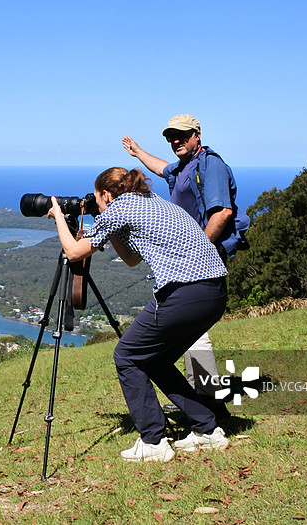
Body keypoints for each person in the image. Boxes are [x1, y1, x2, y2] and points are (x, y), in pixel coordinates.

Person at [47, 166, 230, 463]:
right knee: (154, 360)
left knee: (127, 356)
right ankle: (207, 429)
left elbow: (73, 252)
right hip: (215, 293)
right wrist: (107, 225)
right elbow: (132, 259)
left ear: (106, 194)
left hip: (183, 293)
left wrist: (58, 217)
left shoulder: (119, 209)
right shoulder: (155, 201)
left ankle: (153, 441)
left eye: (99, 200)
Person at [122, 115, 248, 418]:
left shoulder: (210, 165)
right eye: (171, 137)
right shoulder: (182, 168)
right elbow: (162, 168)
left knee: (192, 332)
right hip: (190, 260)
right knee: (190, 332)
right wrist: (138, 153)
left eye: (181, 135)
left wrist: (197, 251)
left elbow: (223, 213)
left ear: (197, 135)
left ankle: (209, 407)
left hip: (198, 261)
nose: (176, 141)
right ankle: (205, 404)